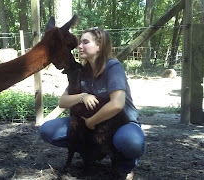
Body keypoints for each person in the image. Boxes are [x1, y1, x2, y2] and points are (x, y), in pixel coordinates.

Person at [39, 27, 145, 179]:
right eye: (80, 42)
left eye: (85, 42)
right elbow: (63, 102)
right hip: (93, 127)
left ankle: (125, 164)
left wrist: (91, 121)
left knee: (131, 141)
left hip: (122, 123)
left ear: (99, 46)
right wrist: (82, 96)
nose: (79, 46)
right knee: (47, 130)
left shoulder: (113, 67)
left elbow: (117, 104)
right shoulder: (82, 72)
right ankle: (93, 152)